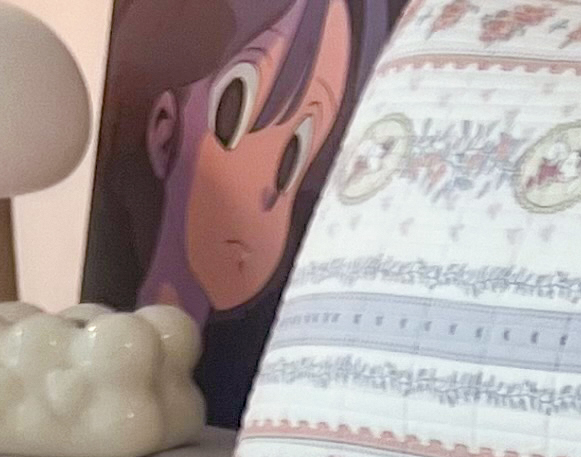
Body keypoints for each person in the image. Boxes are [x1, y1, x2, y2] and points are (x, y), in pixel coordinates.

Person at [83, 0, 386, 430]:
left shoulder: (271, 385)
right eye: (235, 110)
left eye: (296, 154)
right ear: (164, 129)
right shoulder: (105, 355)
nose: (268, 195)